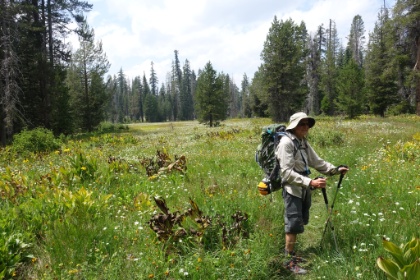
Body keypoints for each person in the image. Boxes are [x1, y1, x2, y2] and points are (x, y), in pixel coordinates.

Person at [275, 112, 349, 274]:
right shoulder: (286, 143)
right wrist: (311, 182)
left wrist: (334, 170)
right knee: (292, 225)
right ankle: (288, 261)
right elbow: (286, 173)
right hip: (292, 189)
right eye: (302, 124)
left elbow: (317, 162)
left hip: (304, 188)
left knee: (300, 221)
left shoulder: (302, 142)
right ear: (293, 125)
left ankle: (293, 254)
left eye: (307, 124)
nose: (306, 127)